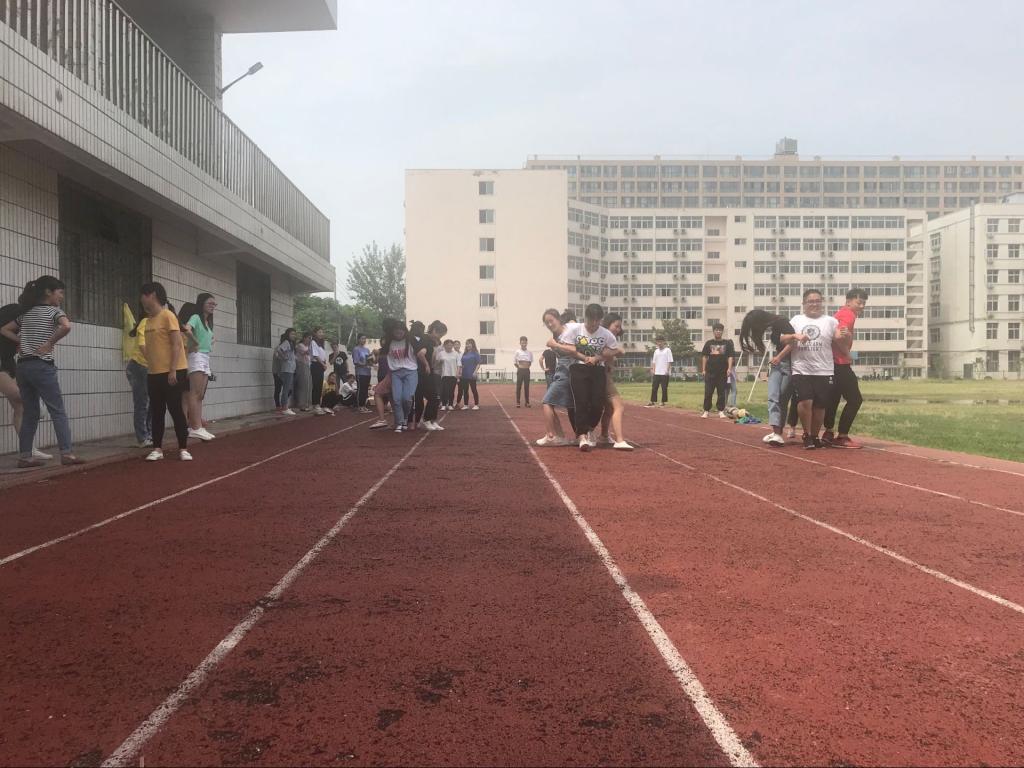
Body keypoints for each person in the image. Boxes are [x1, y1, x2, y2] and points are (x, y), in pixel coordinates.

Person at [0, 277, 83, 468]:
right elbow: (66, 326)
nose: (61, 297)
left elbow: (4, 329)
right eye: (60, 293)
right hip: (42, 366)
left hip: (23, 367)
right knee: (57, 410)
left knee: (30, 412)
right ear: (48, 292)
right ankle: (67, 453)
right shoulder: (55, 312)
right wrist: (50, 343)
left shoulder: (26, 315)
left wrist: (21, 342)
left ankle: (25, 456)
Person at [139, 282, 191, 462]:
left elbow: (176, 344)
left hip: (173, 371)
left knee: (176, 410)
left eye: (143, 295)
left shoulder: (168, 315)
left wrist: (172, 370)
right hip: (154, 373)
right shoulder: (148, 321)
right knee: (157, 411)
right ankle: (157, 448)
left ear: (152, 295)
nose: (141, 299)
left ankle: (183, 448)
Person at [782, 288, 840, 450]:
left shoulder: (831, 321)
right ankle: (806, 434)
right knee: (805, 401)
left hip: (824, 369)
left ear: (822, 303)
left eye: (817, 301)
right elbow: (783, 338)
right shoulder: (796, 320)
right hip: (801, 369)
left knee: (820, 406)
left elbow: (839, 339)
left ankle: (815, 436)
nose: (814, 304)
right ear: (804, 303)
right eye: (810, 301)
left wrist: (846, 335)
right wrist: (795, 336)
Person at [564, 304, 618, 452]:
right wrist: (584, 358)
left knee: (597, 403)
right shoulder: (575, 330)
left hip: (597, 369)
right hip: (578, 368)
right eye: (591, 320)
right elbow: (569, 349)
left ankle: (589, 428)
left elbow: (614, 350)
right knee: (581, 401)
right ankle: (581, 436)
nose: (593, 324)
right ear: (585, 317)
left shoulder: (606, 334)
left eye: (597, 321)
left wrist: (597, 358)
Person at [740, 309, 798, 448]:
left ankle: (780, 432)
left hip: (788, 363)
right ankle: (776, 433)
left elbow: (793, 342)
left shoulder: (782, 322)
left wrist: (779, 357)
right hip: (778, 364)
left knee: (782, 398)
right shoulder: (774, 325)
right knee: (773, 397)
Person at [823, 289, 868, 449]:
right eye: (859, 302)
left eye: (864, 303)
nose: (862, 306)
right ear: (848, 302)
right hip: (840, 363)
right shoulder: (848, 315)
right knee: (855, 399)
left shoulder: (839, 314)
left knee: (833, 398)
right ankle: (842, 436)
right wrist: (847, 354)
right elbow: (839, 337)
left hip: (831, 363)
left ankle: (828, 433)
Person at [535, 309, 575, 447]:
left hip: (567, 373)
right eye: (546, 323)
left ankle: (551, 435)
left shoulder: (567, 333)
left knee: (547, 401)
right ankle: (560, 436)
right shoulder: (557, 335)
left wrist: (555, 345)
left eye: (551, 321)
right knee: (568, 406)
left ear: (558, 319)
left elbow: (574, 350)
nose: (549, 324)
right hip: (561, 372)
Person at [383, 319, 428, 432]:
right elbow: (382, 352)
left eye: (401, 331)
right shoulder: (389, 342)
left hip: (410, 372)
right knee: (397, 399)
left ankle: (405, 417)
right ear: (393, 331)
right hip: (396, 373)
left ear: (405, 331)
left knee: (406, 398)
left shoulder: (411, 340)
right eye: (396, 331)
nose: (399, 333)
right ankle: (400, 422)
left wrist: (426, 363)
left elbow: (422, 348)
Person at [597, 312, 632, 450]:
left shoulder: (608, 338)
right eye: (616, 326)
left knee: (609, 408)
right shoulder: (604, 337)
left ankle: (604, 435)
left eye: (619, 327)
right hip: (603, 376)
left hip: (605, 375)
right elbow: (604, 354)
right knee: (619, 406)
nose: (618, 329)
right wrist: (618, 351)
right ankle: (620, 440)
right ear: (608, 324)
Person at [183, 293, 216, 441]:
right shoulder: (196, 317)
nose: (213, 306)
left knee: (200, 394)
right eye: (210, 303)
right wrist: (195, 342)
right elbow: (186, 329)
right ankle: (195, 427)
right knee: (194, 393)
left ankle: (198, 426)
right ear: (202, 303)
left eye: (214, 304)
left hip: (205, 357)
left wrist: (210, 341)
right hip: (196, 356)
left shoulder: (207, 322)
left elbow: (211, 337)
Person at [122, 303, 152, 448]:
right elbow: (142, 344)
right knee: (142, 403)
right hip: (139, 366)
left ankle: (147, 434)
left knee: (149, 402)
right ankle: (143, 437)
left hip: (144, 366)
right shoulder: (146, 322)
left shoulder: (152, 323)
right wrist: (153, 362)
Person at [700, 323, 735, 419]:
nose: (718, 331)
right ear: (713, 331)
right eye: (716, 330)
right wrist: (703, 370)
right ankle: (706, 411)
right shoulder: (708, 343)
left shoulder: (727, 344)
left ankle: (721, 411)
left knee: (721, 392)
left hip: (722, 372)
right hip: (710, 372)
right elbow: (704, 357)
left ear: (722, 331)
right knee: (708, 392)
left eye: (720, 330)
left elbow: (730, 357)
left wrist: (729, 368)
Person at [274, 328, 297, 416]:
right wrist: (284, 357)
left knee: (288, 388)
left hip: (290, 369)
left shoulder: (291, 343)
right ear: (288, 335)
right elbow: (279, 350)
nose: (293, 336)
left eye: (294, 334)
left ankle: (285, 406)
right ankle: (284, 408)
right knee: (286, 389)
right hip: (287, 369)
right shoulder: (286, 342)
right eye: (292, 334)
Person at [646, 336, 673, 407]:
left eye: (661, 341)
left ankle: (663, 402)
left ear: (664, 342)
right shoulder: (656, 351)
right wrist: (653, 370)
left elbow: (669, 361)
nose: (659, 343)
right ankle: (652, 401)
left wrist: (667, 370)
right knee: (654, 387)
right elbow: (654, 362)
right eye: (658, 341)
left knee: (664, 388)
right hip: (657, 372)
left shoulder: (667, 350)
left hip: (664, 373)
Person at [436, 339, 460, 409]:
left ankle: (450, 405)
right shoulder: (441, 353)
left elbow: (459, 364)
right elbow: (437, 363)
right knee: (444, 390)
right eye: (448, 345)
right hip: (444, 374)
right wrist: (440, 361)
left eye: (451, 345)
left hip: (453, 375)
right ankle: (444, 405)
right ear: (444, 345)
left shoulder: (456, 353)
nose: (449, 346)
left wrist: (457, 373)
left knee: (451, 391)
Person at [352, 334, 373, 413]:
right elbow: (356, 362)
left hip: (368, 372)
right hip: (360, 373)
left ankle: (364, 406)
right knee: (361, 389)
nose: (364, 340)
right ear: (358, 339)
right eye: (362, 338)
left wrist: (372, 362)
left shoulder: (367, 349)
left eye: (365, 339)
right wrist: (365, 364)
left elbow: (370, 361)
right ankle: (359, 406)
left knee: (365, 389)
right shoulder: (356, 349)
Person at [309, 328, 329, 415]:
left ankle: (317, 404)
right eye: (319, 332)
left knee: (319, 386)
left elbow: (322, 355)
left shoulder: (320, 344)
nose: (321, 334)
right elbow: (315, 356)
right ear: (315, 333)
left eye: (322, 332)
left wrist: (324, 363)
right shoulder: (313, 342)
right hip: (316, 365)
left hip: (320, 365)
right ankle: (315, 405)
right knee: (316, 385)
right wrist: (323, 364)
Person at [458, 339, 482, 410]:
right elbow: (461, 364)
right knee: (465, 390)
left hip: (472, 374)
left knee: (474, 389)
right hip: (464, 375)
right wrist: (460, 372)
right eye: (467, 344)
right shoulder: (464, 354)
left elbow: (478, 363)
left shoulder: (475, 353)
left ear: (473, 344)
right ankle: (466, 405)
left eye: (469, 343)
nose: (468, 345)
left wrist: (475, 372)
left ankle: (476, 404)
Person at [294, 332, 313, 412]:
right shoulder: (300, 345)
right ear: (304, 338)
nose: (310, 340)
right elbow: (306, 352)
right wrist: (311, 345)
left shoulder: (307, 346)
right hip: (301, 366)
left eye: (310, 338)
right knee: (303, 385)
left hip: (308, 366)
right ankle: (301, 404)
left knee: (308, 385)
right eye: (309, 338)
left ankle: (307, 403)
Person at [514, 337, 534, 408]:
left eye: (525, 343)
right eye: (522, 343)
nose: (524, 344)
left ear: (527, 343)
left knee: (526, 387)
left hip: (527, 371)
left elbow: (530, 362)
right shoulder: (517, 352)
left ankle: (527, 402)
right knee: (518, 387)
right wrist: (520, 368)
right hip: (520, 370)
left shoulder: (530, 352)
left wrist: (526, 367)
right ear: (520, 343)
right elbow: (515, 362)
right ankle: (518, 402)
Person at [451, 340, 464, 408]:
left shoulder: (462, 354)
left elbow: (463, 364)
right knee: (451, 389)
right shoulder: (451, 353)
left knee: (460, 389)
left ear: (460, 345)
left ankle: (458, 403)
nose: (456, 346)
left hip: (461, 374)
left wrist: (460, 372)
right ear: (453, 346)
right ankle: (451, 403)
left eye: (458, 344)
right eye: (455, 344)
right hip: (452, 374)